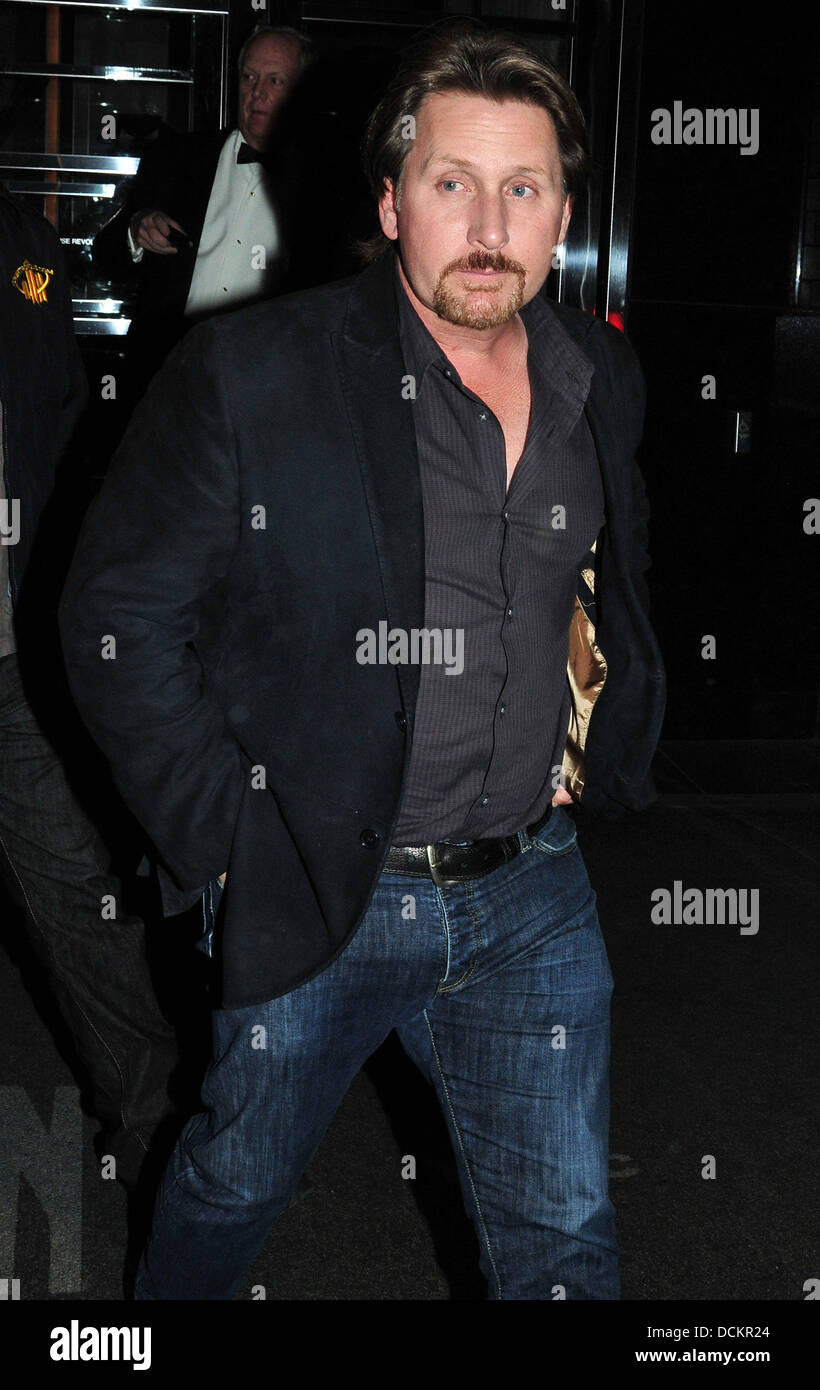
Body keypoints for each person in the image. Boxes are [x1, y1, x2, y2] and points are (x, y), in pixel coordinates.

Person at [59, 22, 666, 1300]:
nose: (488, 224)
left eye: (523, 188)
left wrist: (591, 735)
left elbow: (599, 581)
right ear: (391, 203)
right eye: (452, 183)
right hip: (320, 880)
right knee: (234, 1184)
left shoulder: (598, 373)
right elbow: (117, 617)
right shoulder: (255, 372)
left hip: (531, 891)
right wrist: (228, 839)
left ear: (564, 213)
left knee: (564, 1238)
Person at [0, 181, 179, 1196]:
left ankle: (157, 1129)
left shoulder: (21, 236)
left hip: (9, 643)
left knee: (74, 891)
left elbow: (58, 418)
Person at [92, 25, 315, 399]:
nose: (257, 92)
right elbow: (105, 257)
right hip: (165, 380)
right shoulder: (176, 158)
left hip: (268, 391)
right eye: (249, 77)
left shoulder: (322, 187)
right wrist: (135, 231)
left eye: (275, 81)